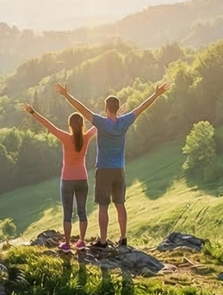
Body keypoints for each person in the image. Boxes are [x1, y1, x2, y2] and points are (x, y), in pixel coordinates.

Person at [55, 81, 170, 247]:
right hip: (119, 169)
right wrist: (156, 94)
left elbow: (81, 110)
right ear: (116, 108)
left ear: (106, 107)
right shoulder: (124, 122)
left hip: (103, 170)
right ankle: (123, 238)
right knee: (120, 204)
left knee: (103, 206)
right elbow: (141, 108)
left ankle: (102, 241)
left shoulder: (101, 123)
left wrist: (66, 95)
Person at [22, 103, 95, 252]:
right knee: (82, 211)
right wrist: (117, 112)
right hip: (82, 179)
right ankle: (81, 242)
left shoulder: (65, 138)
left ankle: (67, 244)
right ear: (82, 125)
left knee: (67, 213)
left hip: (67, 180)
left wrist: (32, 112)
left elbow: (49, 126)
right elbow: (100, 124)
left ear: (69, 125)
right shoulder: (86, 137)